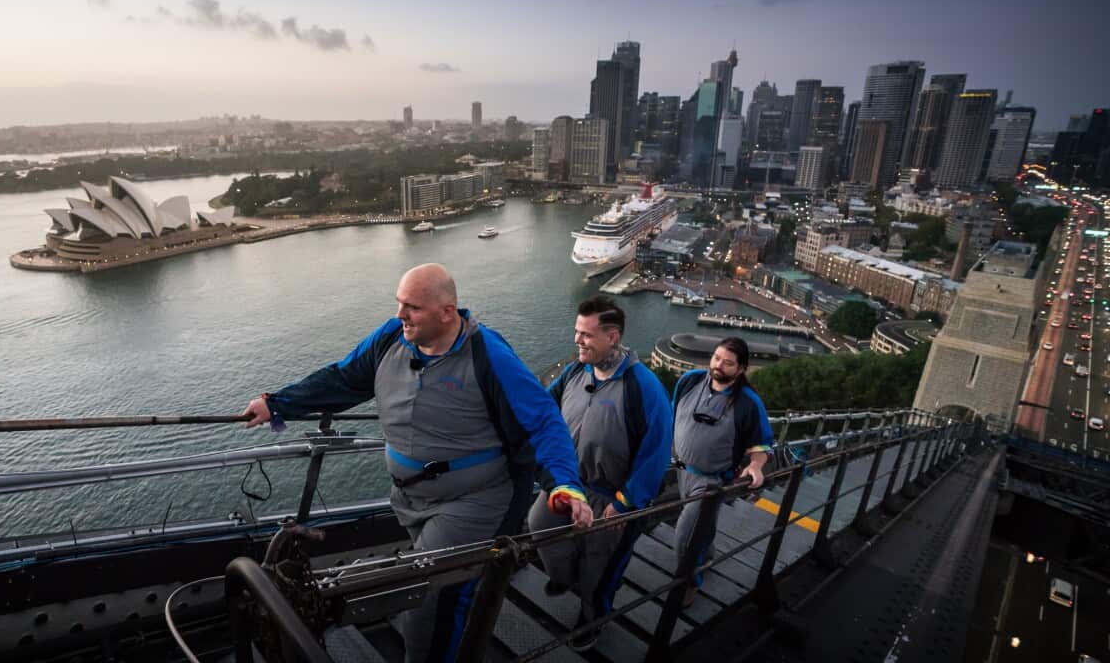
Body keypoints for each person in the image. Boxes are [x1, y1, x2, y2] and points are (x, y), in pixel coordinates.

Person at [241, 263, 594, 663]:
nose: (399, 315)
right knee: (448, 589)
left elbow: (543, 421)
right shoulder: (392, 337)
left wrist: (564, 483)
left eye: (412, 307)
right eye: (399, 304)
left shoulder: (489, 355)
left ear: (447, 312)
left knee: (429, 603)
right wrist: (278, 404)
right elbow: (344, 378)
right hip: (410, 498)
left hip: (476, 501)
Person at [528, 296, 672, 651]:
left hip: (612, 495)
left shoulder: (644, 386)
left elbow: (656, 451)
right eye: (577, 332)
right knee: (539, 524)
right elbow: (543, 408)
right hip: (570, 483)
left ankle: (592, 617)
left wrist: (625, 503)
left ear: (613, 337)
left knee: (599, 567)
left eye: (587, 335)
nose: (577, 340)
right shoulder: (575, 372)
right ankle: (563, 577)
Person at [670, 337, 774, 606]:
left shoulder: (748, 403)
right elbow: (674, 417)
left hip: (711, 482)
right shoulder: (690, 380)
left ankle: (689, 584)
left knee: (685, 536)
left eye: (728, 363)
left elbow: (761, 444)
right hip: (681, 471)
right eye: (717, 358)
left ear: (741, 369)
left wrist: (755, 465)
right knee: (700, 525)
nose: (719, 365)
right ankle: (708, 555)